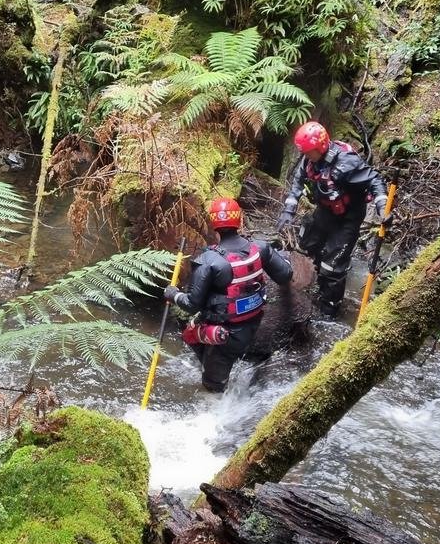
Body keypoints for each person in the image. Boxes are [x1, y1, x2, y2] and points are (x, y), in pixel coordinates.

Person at [163, 198, 293, 393]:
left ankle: (215, 388)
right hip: (253, 323)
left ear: (214, 225)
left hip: (225, 335)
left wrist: (173, 294)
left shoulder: (209, 261)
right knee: (194, 334)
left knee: (211, 385)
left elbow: (191, 304)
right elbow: (285, 275)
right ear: (239, 221)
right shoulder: (260, 248)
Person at [276, 121, 389, 318]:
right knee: (308, 246)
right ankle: (316, 286)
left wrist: (382, 207)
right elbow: (298, 183)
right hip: (325, 210)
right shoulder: (309, 161)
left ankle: (330, 309)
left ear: (320, 147)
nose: (305, 156)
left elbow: (375, 180)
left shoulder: (347, 163)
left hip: (348, 217)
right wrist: (288, 211)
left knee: (333, 265)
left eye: (308, 152)